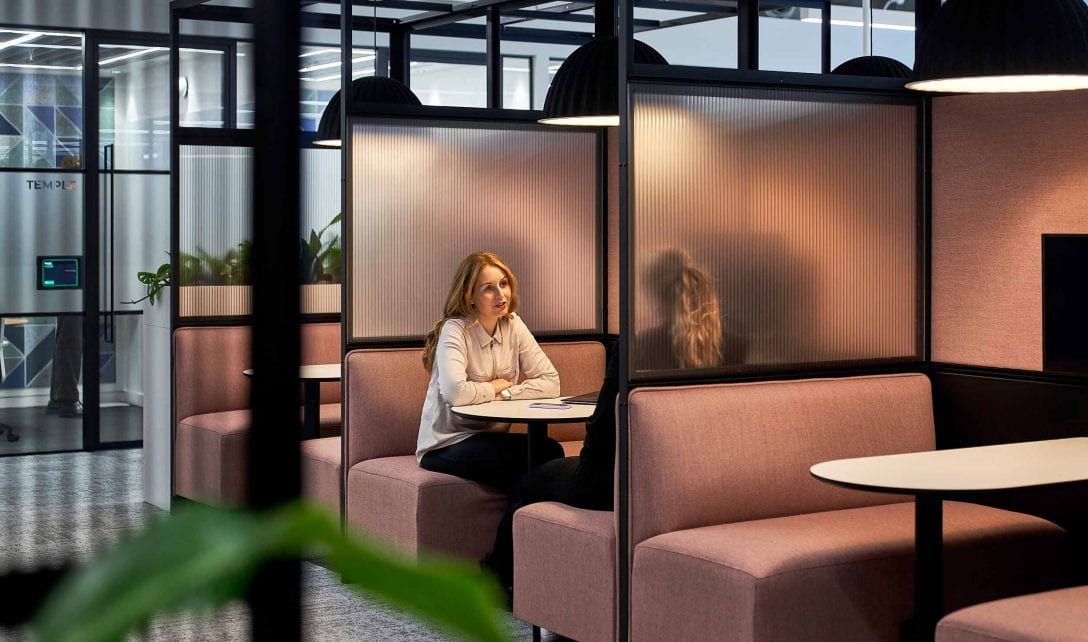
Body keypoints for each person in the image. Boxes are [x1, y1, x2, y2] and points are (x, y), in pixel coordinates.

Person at [483, 248, 729, 596]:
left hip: (610, 482)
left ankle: (503, 584)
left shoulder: (639, 349)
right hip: (690, 482)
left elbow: (601, 429)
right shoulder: (726, 349)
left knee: (529, 482)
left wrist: (588, 459)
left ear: (652, 297)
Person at [417, 251, 565, 515]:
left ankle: (509, 549)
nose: (501, 295)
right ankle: (506, 550)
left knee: (544, 453)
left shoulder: (513, 325)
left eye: (504, 284)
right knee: (543, 454)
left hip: (490, 438)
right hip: (447, 443)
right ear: (468, 295)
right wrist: (495, 386)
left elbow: (551, 382)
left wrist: (507, 394)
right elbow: (456, 394)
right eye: (488, 288)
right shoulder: (456, 329)